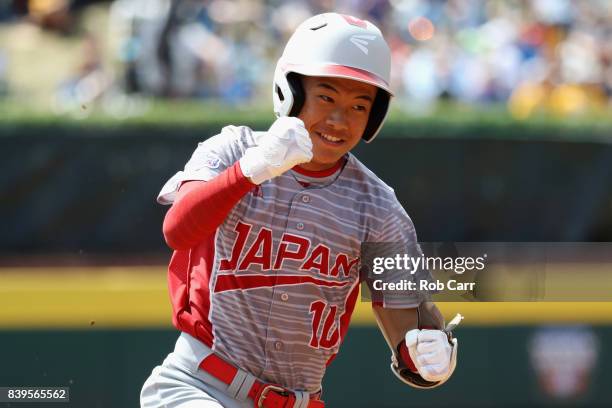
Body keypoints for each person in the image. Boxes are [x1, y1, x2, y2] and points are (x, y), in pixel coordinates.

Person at [140, 12, 458, 408]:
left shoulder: (379, 208)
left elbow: (409, 331)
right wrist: (249, 172)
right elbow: (178, 229)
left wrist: (432, 355)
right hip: (198, 387)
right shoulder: (233, 150)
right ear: (290, 91)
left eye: (360, 106)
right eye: (326, 97)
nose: (340, 119)